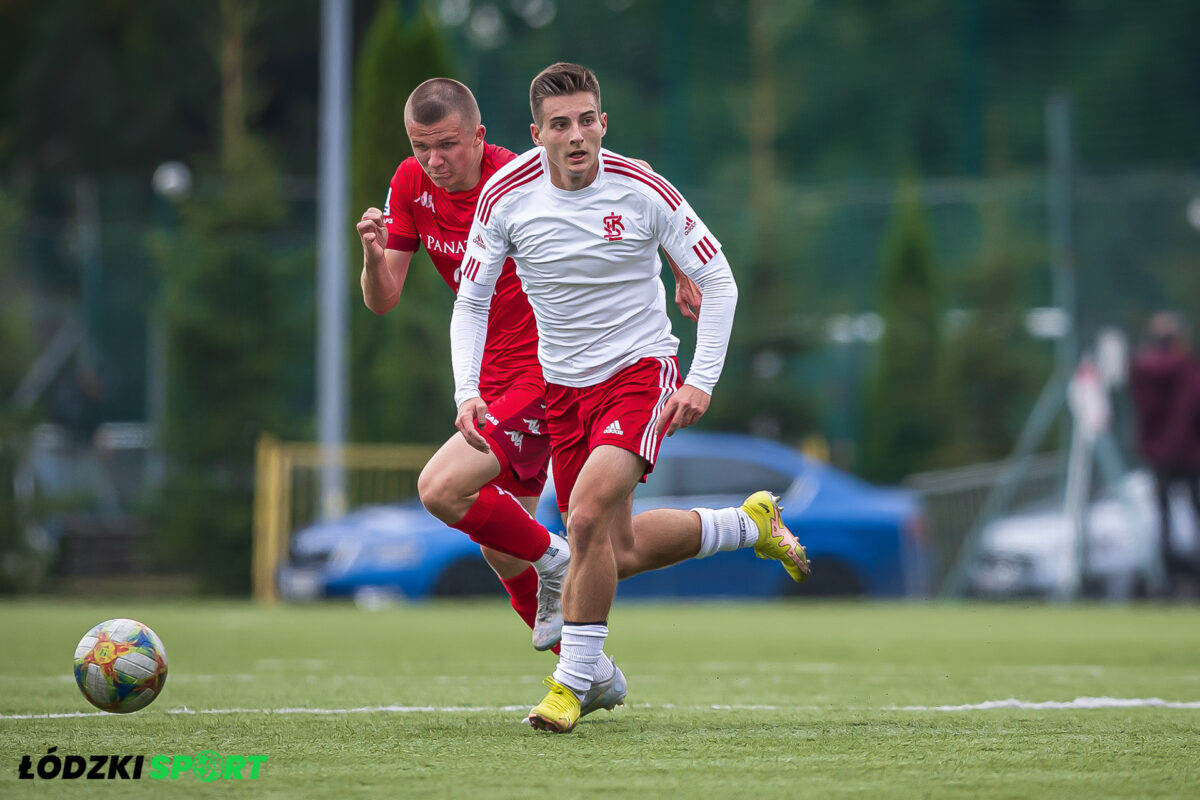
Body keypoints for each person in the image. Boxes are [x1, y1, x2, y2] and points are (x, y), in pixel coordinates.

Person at [450, 62, 810, 734]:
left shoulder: (642, 187)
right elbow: (471, 299)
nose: (577, 135)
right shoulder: (506, 195)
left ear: (604, 123)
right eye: (561, 124)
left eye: (588, 120)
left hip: (641, 374)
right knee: (616, 549)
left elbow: (720, 281)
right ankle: (750, 525)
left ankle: (573, 685)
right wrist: (466, 390)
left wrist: (700, 378)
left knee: (581, 521)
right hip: (562, 391)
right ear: (538, 134)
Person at [1129, 311, 1200, 593]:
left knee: (1163, 519)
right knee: (1194, 513)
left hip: (1158, 454)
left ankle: (1166, 580)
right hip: (1190, 453)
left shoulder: (1142, 367)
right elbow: (1190, 409)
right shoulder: (1186, 369)